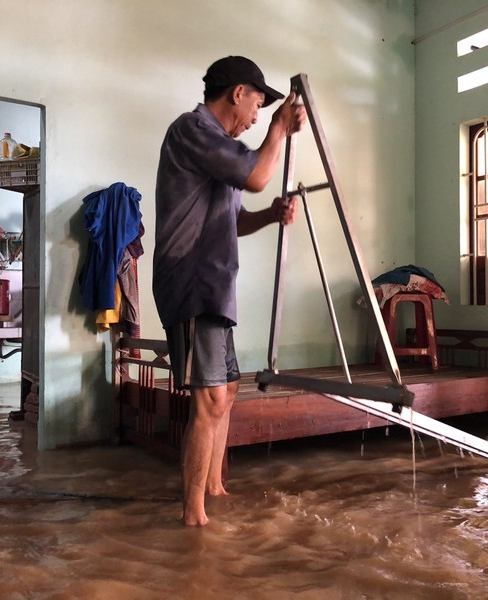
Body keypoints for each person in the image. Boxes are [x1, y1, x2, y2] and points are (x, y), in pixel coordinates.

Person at [152, 56, 306, 527]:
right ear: (237, 93)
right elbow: (259, 176)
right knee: (211, 397)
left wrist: (269, 215)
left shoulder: (222, 149)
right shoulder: (192, 130)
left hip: (215, 280)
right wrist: (279, 130)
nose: (257, 117)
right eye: (258, 105)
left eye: (265, 112)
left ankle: (215, 489)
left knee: (229, 389)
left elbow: (235, 217)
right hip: (192, 278)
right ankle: (194, 517)